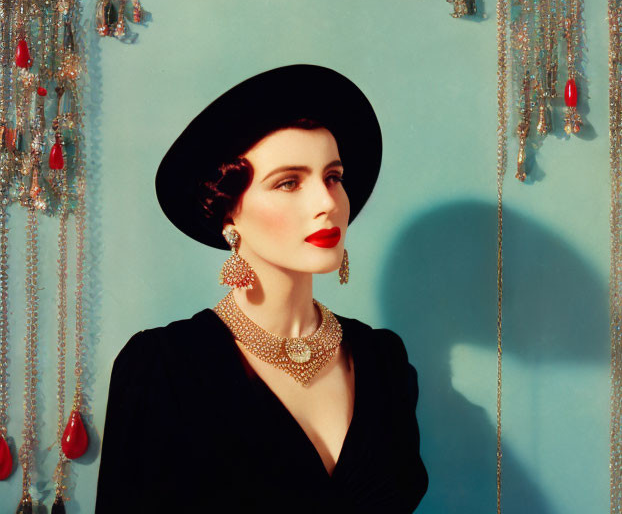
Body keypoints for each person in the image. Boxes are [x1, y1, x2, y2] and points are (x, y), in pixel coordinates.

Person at [95, 64, 428, 513]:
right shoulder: (162, 368)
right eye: (289, 182)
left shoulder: (384, 362)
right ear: (229, 211)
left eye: (333, 177)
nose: (327, 203)